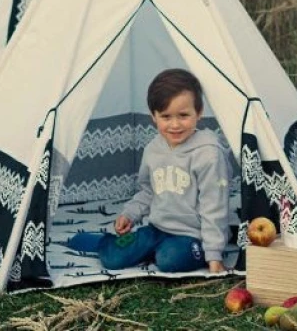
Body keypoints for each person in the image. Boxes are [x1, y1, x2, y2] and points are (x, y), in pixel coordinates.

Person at [91, 69, 231, 273]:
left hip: (192, 235)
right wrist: (130, 214)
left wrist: (214, 255)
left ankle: (159, 251)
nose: (175, 125)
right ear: (154, 117)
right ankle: (105, 243)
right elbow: (148, 190)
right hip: (157, 229)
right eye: (166, 116)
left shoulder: (208, 154)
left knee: (170, 260)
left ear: (199, 113)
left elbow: (214, 206)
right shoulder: (153, 150)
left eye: (183, 115)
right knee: (113, 258)